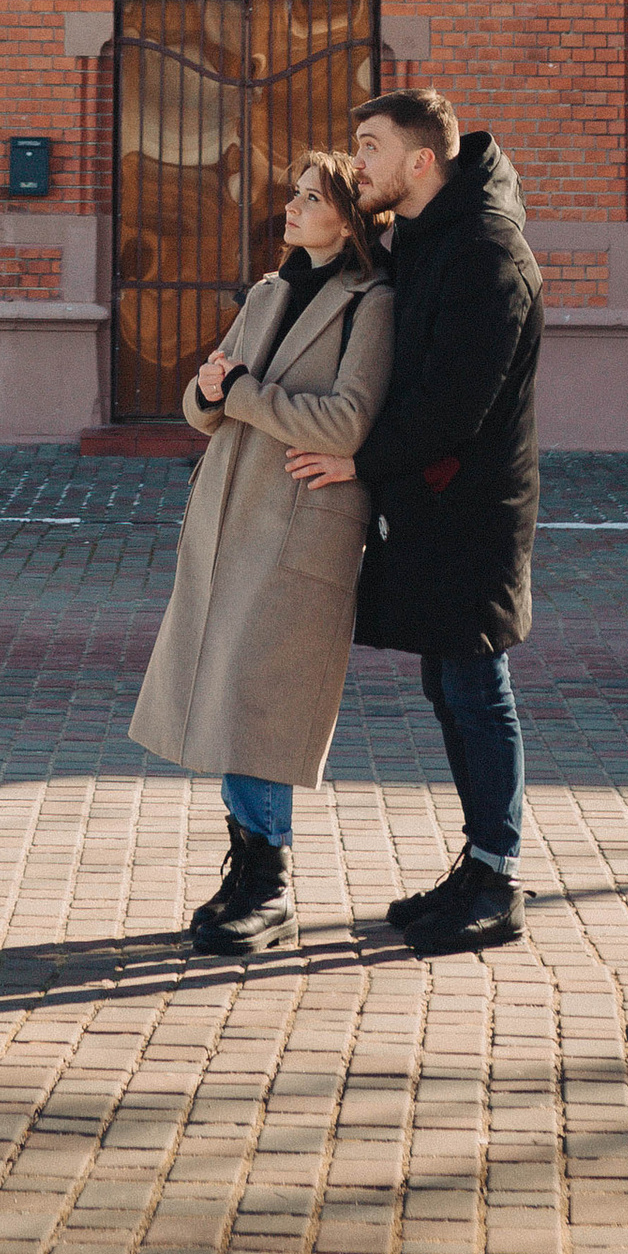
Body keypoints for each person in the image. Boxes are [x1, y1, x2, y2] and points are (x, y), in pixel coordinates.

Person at [289, 87, 541, 956]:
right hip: (431, 505)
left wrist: (358, 462)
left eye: (368, 145)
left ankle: (498, 877)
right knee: (452, 687)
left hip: (473, 510)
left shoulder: (486, 254)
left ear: (421, 160)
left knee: (478, 689)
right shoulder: (425, 237)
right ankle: (477, 866)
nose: (356, 162)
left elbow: (452, 406)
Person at [129, 151, 396, 958]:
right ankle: (247, 871)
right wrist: (209, 391)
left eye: (311, 198)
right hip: (229, 518)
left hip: (301, 524)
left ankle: (268, 884)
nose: (291, 206)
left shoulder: (371, 303)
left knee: (260, 699)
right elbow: (206, 403)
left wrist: (240, 391)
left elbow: (347, 422)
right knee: (224, 694)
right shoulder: (270, 291)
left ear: (347, 220)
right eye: (293, 193)